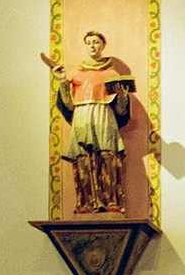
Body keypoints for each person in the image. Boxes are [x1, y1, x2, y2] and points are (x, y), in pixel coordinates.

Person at [42, 30, 135, 213]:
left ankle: (111, 201)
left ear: (103, 45)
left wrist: (123, 97)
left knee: (108, 157)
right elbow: (69, 105)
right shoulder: (77, 75)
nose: (92, 46)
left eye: (96, 42)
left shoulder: (112, 74)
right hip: (82, 117)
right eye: (89, 42)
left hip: (104, 116)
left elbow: (120, 111)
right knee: (83, 159)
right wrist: (62, 81)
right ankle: (86, 202)